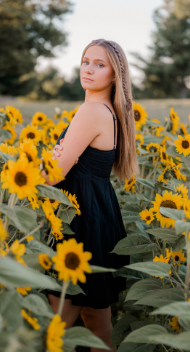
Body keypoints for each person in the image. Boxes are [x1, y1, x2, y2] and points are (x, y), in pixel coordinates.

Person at [44, 39, 139, 351]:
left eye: (100, 64)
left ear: (114, 75)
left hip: (79, 221)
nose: (89, 69)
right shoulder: (109, 111)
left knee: (54, 323)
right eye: (86, 61)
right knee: (96, 319)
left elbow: (54, 176)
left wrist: (44, 163)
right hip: (98, 215)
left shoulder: (91, 111)